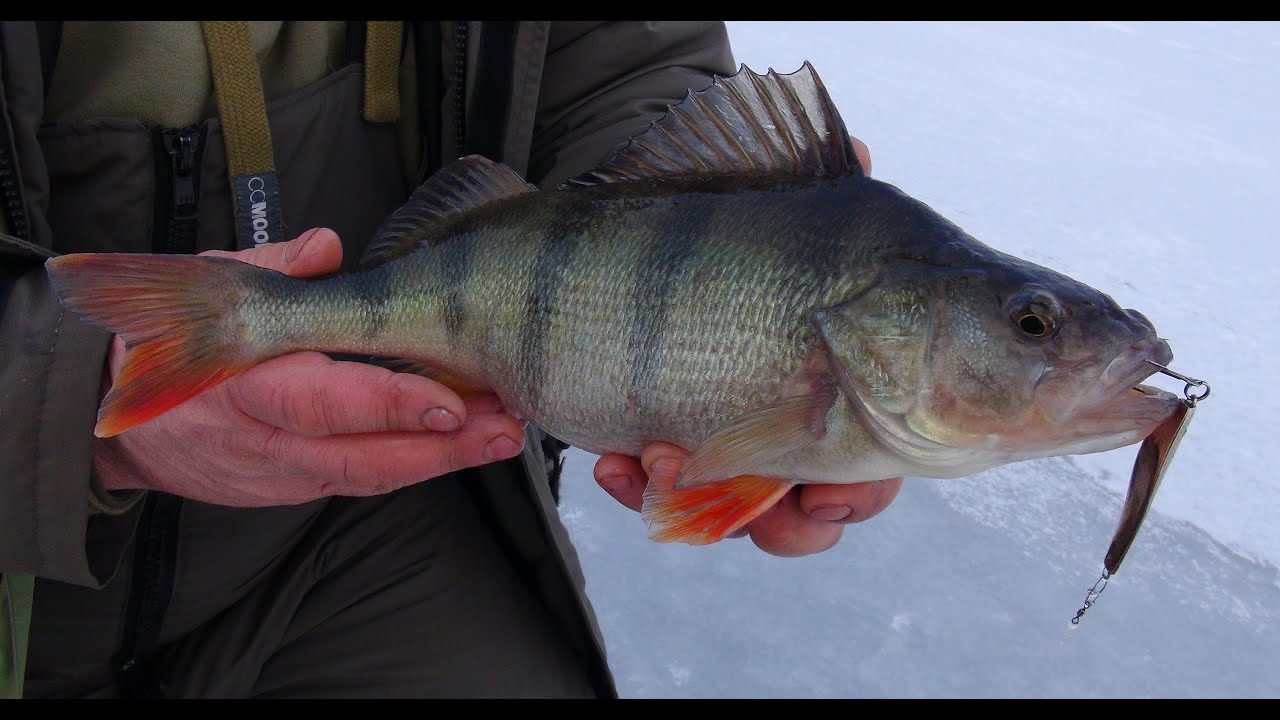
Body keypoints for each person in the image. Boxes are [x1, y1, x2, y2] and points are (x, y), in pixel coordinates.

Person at [0, 21, 902, 698]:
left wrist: (689, 201)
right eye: (1029, 328)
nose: (1044, 357)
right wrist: (71, 390)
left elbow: (621, 51)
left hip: (381, 514)